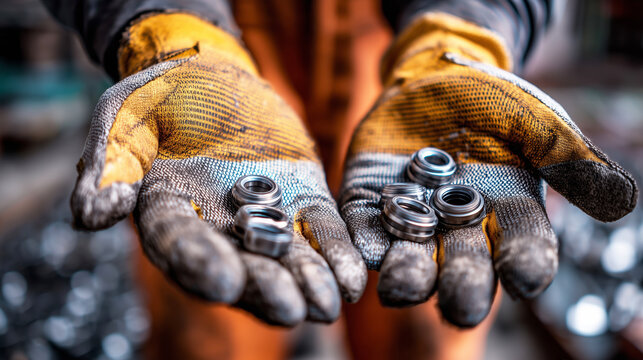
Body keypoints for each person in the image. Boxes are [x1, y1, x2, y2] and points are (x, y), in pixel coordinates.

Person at [41, 0, 638, 359]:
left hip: (406, 54)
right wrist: (164, 27)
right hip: (213, 48)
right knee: (211, 315)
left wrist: (464, 29)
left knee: (425, 312)